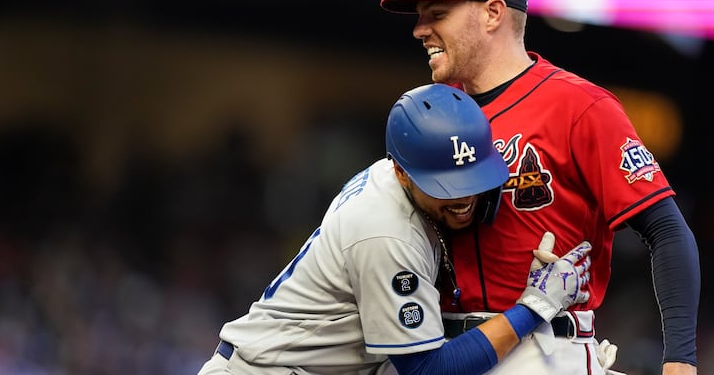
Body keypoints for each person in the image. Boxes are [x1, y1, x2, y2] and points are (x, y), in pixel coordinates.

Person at [379, 0, 700, 375]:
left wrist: (680, 358)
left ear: (493, 13)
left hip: (544, 348)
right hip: (445, 352)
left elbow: (666, 229)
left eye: (437, 14)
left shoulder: (579, 106)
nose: (420, 29)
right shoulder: (434, 116)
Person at [197, 83, 592, 375]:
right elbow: (427, 371)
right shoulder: (387, 231)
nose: (463, 198)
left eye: (471, 178)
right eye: (446, 185)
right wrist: (534, 307)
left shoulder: (402, 182)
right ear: (401, 171)